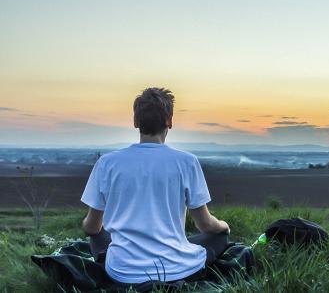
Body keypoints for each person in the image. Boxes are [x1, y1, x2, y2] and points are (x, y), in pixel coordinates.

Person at [80, 87, 230, 285]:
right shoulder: (187, 162)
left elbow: (91, 228)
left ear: (135, 122)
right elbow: (205, 225)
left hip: (122, 272)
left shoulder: (107, 163)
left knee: (98, 234)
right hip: (176, 269)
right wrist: (224, 226)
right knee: (219, 238)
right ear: (169, 121)